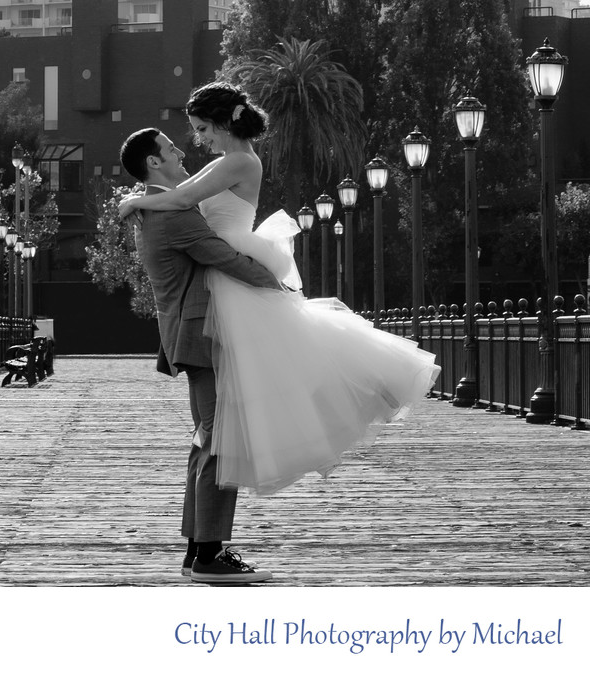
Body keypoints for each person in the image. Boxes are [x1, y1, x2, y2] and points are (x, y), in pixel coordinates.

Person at [119, 81, 441, 497]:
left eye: (202, 129)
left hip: (232, 261)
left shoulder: (239, 161)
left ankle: (211, 533)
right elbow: (181, 195)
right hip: (223, 270)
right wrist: (143, 198)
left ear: (222, 123)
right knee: (235, 405)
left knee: (236, 407)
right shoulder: (228, 161)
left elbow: (182, 200)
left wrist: (136, 202)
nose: (199, 140)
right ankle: (209, 535)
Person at [119, 126, 282, 584]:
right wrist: (280, 286)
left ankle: (198, 547)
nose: (181, 151)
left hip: (191, 334)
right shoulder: (175, 214)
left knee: (206, 438)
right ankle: (210, 552)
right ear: (154, 163)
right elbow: (224, 257)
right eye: (171, 149)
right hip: (203, 335)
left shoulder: (156, 207)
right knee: (219, 439)